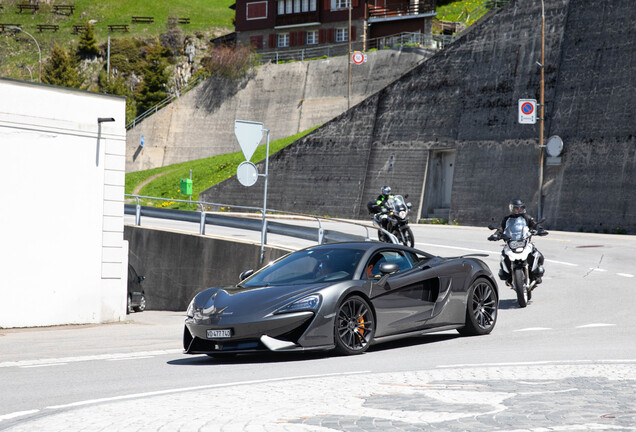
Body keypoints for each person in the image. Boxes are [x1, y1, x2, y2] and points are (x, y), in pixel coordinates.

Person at [489, 198, 545, 286]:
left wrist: (540, 230)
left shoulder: (527, 217)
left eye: (521, 208)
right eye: (516, 208)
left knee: (539, 255)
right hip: (511, 242)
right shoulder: (506, 219)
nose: (519, 210)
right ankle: (508, 277)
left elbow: (534, 224)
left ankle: (537, 275)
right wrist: (496, 235)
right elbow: (500, 228)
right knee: (503, 257)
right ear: (512, 208)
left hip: (524, 241)